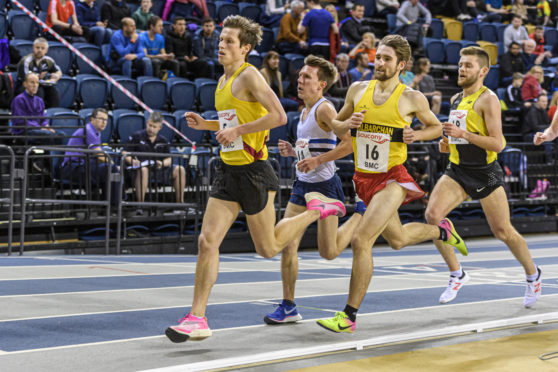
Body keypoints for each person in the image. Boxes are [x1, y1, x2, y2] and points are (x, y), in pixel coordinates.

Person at [165, 15, 346, 343]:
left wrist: (236, 130)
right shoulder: (222, 80)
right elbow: (231, 121)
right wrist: (207, 125)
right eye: (221, 39)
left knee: (268, 248)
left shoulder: (250, 75)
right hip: (227, 171)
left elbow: (277, 115)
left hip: (254, 173)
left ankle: (317, 210)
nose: (221, 44)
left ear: (246, 48)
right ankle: (198, 317)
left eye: (229, 41)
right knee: (207, 242)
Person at [315, 35, 466, 333]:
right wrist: (347, 125)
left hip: (393, 178)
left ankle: (349, 316)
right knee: (396, 239)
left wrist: (417, 136)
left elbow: (436, 127)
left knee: (361, 240)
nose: (379, 63)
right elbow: (332, 124)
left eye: (386, 59)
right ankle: (441, 230)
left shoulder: (411, 97)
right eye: (378, 57)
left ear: (402, 64)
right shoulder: (358, 90)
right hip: (363, 178)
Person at [425, 46, 541, 307]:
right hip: (457, 170)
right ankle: (457, 273)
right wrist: (448, 144)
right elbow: (458, 136)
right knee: (433, 216)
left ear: (483, 71)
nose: (461, 69)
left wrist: (463, 135)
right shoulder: (456, 98)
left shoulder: (488, 99)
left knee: (503, 231)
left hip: (485, 173)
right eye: (460, 64)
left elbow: (497, 144)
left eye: (468, 65)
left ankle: (533, 276)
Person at [264, 55, 367, 324]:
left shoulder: (325, 109)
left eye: (306, 77)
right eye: (299, 76)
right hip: (302, 185)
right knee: (287, 244)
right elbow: (310, 150)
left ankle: (359, 213)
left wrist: (318, 161)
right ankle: (288, 306)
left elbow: (348, 144)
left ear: (321, 84)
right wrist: (292, 153)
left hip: (325, 187)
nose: (299, 80)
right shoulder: (304, 111)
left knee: (328, 252)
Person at [124, 112, 186, 214]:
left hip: (158, 170)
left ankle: (180, 204)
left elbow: (169, 159)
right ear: (147, 122)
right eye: (150, 125)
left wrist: (162, 163)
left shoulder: (163, 140)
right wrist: (133, 161)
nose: (151, 128)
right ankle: (140, 205)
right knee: (143, 170)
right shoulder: (137, 136)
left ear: (160, 128)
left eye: (154, 127)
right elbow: (125, 153)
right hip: (139, 171)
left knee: (180, 169)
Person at [61, 108, 121, 204]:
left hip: (83, 165)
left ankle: (109, 203)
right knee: (112, 169)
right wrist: (116, 165)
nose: (104, 122)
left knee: (110, 170)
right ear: (92, 119)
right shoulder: (89, 131)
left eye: (105, 120)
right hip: (73, 168)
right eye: (101, 119)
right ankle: (115, 204)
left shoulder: (96, 132)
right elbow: (100, 155)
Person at [10, 73, 57, 145]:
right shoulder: (19, 100)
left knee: (60, 135)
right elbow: (20, 121)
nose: (35, 85)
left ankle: (50, 155)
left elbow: (43, 118)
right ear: (25, 84)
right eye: (32, 82)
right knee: (49, 135)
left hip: (38, 130)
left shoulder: (39, 100)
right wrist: (40, 128)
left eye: (37, 83)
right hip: (24, 132)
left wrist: (47, 127)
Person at [16, 38, 61, 109]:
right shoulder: (26, 61)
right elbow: (27, 78)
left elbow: (58, 71)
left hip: (41, 84)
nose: (39, 50)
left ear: (46, 51)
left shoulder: (49, 60)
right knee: (39, 90)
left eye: (42, 48)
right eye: (37, 48)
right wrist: (38, 77)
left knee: (53, 92)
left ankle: (53, 114)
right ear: (33, 48)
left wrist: (56, 76)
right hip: (25, 86)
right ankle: (37, 114)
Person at [524, 92, 557, 162]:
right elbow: (535, 127)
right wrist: (549, 127)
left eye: (546, 101)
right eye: (543, 101)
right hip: (529, 134)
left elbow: (548, 125)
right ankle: (549, 161)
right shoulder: (532, 111)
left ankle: (556, 160)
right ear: (537, 102)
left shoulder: (544, 111)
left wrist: (549, 127)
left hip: (539, 132)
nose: (545, 103)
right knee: (543, 134)